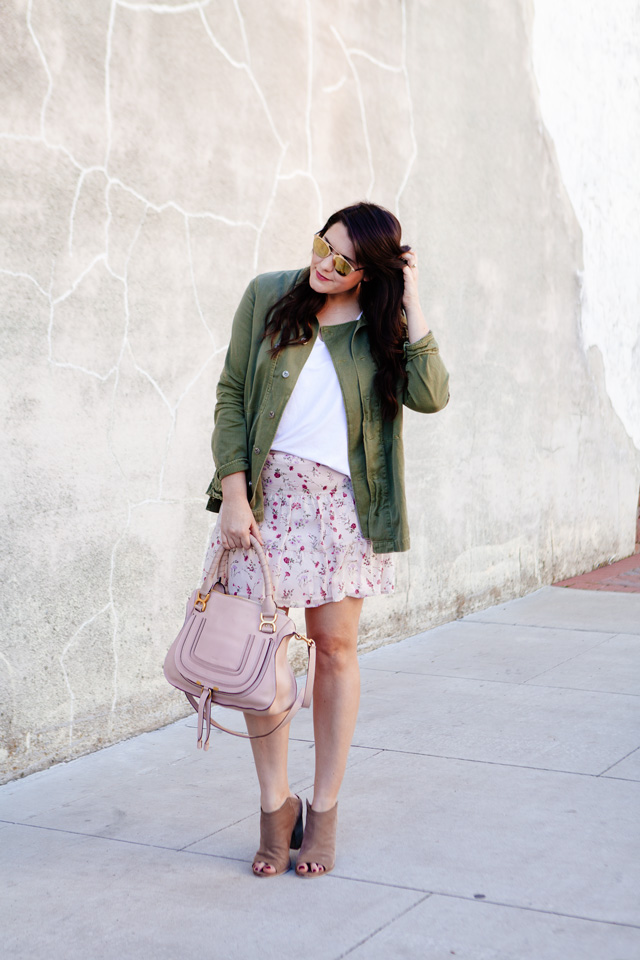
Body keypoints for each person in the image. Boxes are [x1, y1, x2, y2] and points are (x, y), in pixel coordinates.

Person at [203, 201, 450, 878]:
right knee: (264, 663)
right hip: (268, 503)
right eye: (322, 244)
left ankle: (326, 809)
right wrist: (232, 492)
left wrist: (413, 297)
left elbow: (432, 395)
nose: (324, 263)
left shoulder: (381, 327)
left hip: (343, 509)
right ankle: (275, 805)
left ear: (369, 272)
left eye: (343, 260)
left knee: (336, 652)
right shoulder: (268, 296)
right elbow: (230, 391)